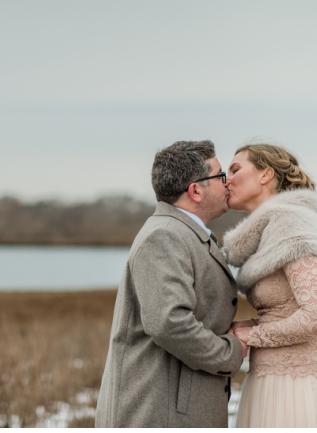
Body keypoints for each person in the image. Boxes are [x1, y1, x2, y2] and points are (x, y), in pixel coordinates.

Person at [95, 140, 246, 428]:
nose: (227, 183)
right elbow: (169, 323)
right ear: (195, 190)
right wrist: (231, 351)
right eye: (220, 175)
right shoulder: (164, 236)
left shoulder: (183, 232)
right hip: (157, 413)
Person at [223, 144, 317, 428]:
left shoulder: (291, 223)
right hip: (272, 378)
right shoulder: (272, 228)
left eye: (236, 170)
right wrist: (250, 324)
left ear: (266, 174)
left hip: (302, 384)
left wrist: (255, 335)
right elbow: (287, 306)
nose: (226, 180)